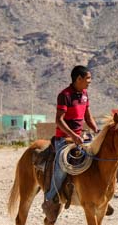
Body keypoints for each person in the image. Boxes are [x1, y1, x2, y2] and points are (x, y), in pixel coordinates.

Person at [42, 65, 99, 212]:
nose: (89, 82)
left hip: (81, 137)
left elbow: (87, 116)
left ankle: (97, 195)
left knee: (97, 157)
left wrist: (96, 129)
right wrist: (73, 136)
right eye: (88, 79)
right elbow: (59, 120)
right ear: (78, 79)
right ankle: (50, 198)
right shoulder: (64, 95)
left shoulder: (85, 94)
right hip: (64, 139)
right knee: (62, 166)